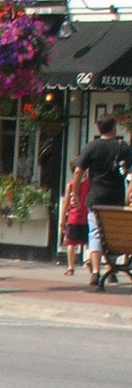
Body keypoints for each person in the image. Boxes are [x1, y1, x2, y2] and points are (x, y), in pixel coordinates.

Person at [72, 117, 132, 287]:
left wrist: (75, 193)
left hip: (96, 196)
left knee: (96, 233)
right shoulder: (123, 147)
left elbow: (78, 171)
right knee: (114, 231)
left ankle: (96, 271)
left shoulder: (92, 147)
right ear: (114, 128)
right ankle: (112, 268)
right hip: (115, 197)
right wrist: (130, 190)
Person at [63, 170, 89, 276]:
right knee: (89, 243)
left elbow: (65, 202)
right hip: (86, 216)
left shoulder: (71, 185)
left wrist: (62, 218)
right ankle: (88, 260)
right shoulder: (88, 184)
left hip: (73, 217)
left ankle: (70, 267)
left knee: (71, 243)